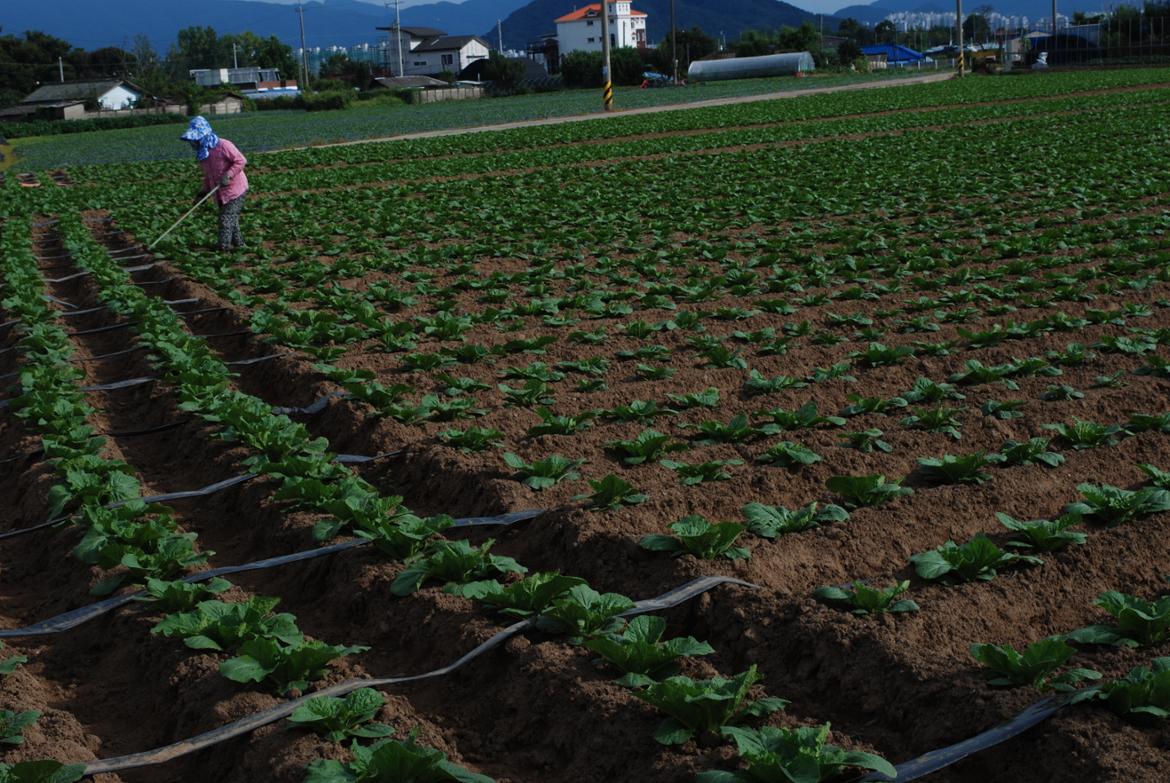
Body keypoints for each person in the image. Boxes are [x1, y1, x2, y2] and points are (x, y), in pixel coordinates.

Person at [180, 116, 249, 251]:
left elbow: (241, 161)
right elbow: (208, 177)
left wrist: (228, 175)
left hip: (235, 190)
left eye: (196, 139)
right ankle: (240, 245)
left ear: (204, 136)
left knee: (226, 219)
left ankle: (223, 248)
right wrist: (202, 193)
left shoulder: (223, 145)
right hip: (219, 193)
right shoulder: (203, 154)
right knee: (231, 220)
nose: (194, 142)